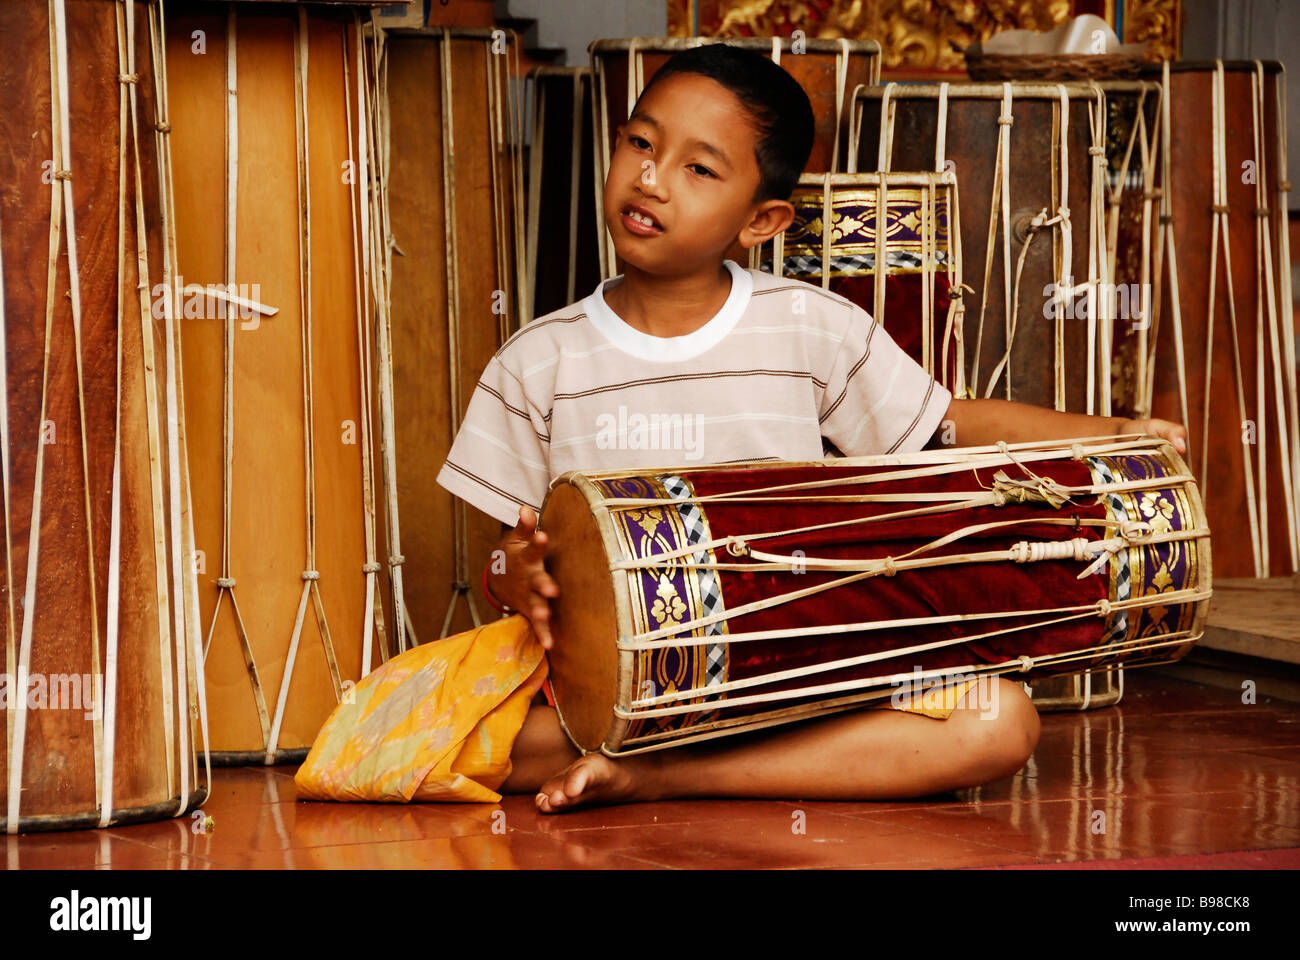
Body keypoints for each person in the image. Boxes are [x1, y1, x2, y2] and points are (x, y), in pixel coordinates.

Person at [294, 44, 1187, 814]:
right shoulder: (540, 358)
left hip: (807, 674)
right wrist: (517, 575)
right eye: (640, 143)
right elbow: (500, 560)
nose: (650, 177)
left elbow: (948, 427)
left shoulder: (812, 327)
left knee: (998, 721)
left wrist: (1113, 429)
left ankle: (667, 779)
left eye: (699, 168)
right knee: (427, 731)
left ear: (761, 221)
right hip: (604, 683)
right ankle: (647, 752)